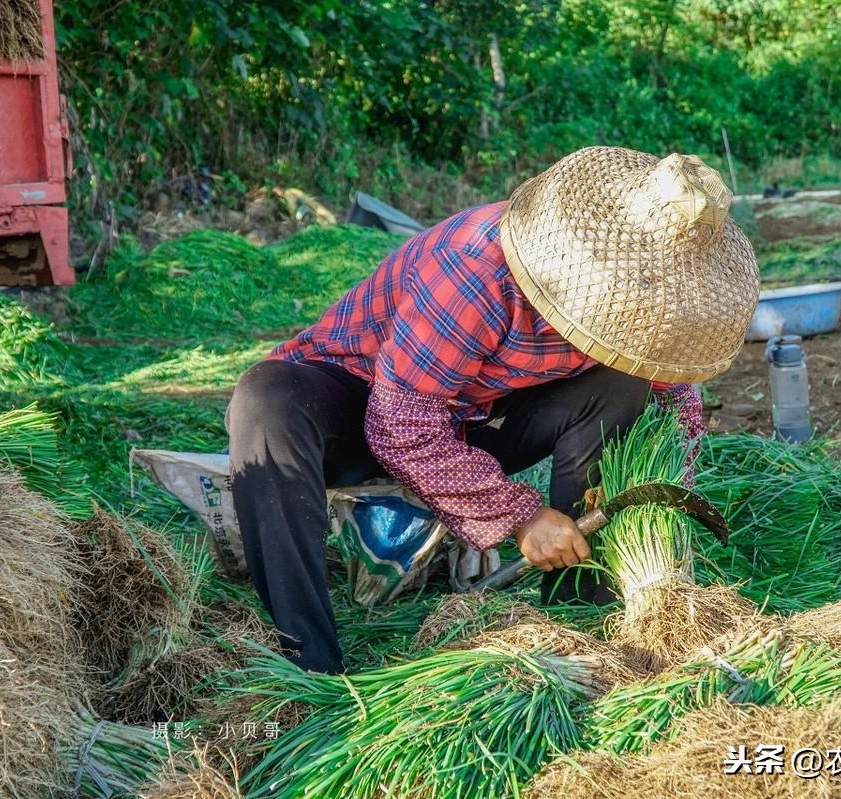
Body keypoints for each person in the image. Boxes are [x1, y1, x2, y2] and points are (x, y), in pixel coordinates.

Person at [227, 146, 759, 673]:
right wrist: (521, 515)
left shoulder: (643, 306)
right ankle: (308, 659)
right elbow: (401, 424)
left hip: (472, 418)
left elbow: (674, 403)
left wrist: (674, 485)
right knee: (266, 399)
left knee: (624, 387)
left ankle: (581, 615)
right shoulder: (475, 269)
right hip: (356, 405)